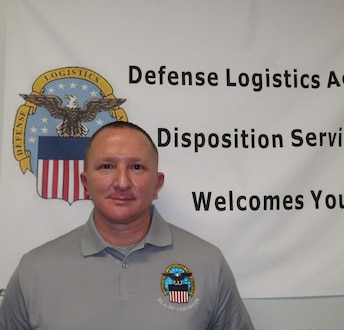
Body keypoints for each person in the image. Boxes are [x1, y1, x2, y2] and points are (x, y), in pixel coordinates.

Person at [0, 121, 254, 330]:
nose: (122, 182)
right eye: (107, 166)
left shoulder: (208, 263)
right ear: (86, 183)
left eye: (136, 167)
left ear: (157, 183)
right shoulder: (33, 271)